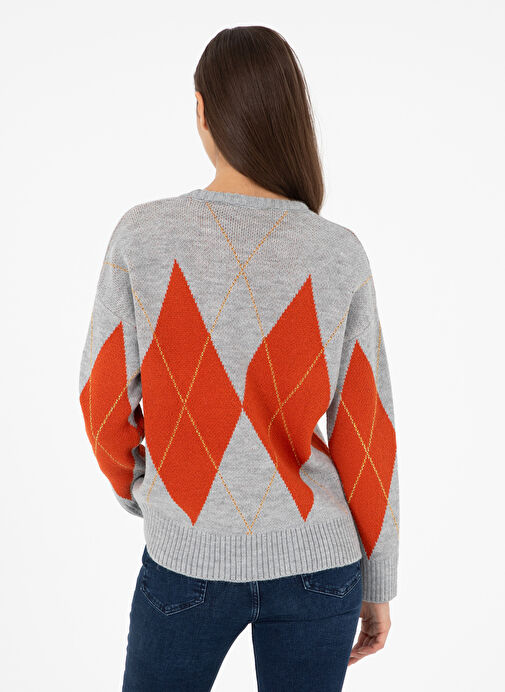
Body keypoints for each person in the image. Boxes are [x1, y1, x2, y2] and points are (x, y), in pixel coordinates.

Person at [78, 25, 400, 692]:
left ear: (200, 110)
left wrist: (145, 493)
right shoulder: (338, 252)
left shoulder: (143, 235)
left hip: (185, 554)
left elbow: (101, 401)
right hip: (320, 566)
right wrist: (378, 580)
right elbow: (367, 432)